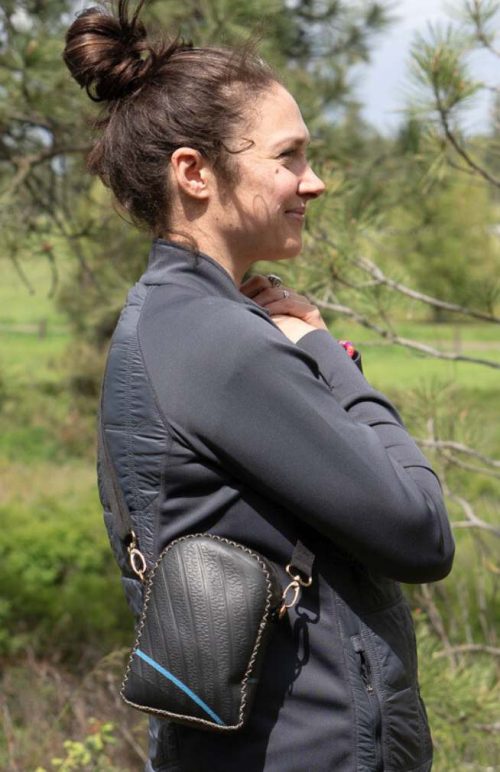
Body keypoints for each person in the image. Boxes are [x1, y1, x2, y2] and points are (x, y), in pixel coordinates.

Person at [63, 2, 455, 770]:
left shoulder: (167, 317)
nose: (316, 182)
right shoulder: (223, 344)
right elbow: (420, 532)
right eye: (289, 157)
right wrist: (326, 353)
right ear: (194, 172)